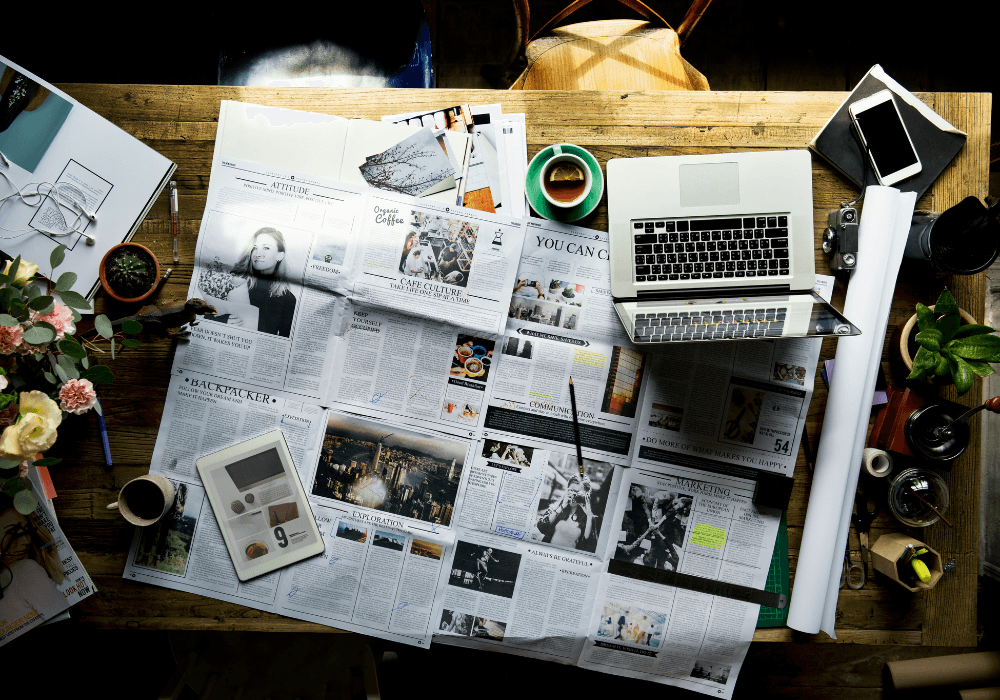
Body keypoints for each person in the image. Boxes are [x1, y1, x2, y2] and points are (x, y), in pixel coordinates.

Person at [1, 492, 67, 628]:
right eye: (12, 532)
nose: (26, 541)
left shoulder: (24, 570)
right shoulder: (27, 570)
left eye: (26, 530)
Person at [225, 227, 297, 337]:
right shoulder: (235, 282)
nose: (258, 254)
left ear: (280, 256)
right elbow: (207, 314)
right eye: (255, 248)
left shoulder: (288, 299)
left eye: (266, 248)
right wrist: (224, 321)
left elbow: (284, 341)